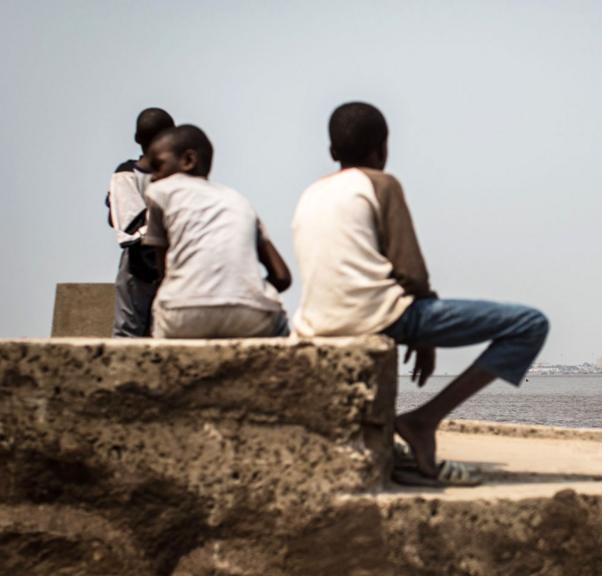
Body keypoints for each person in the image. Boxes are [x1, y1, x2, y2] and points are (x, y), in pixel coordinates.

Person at [291, 102, 549, 484]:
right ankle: (423, 420)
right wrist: (426, 338)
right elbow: (411, 272)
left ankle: (411, 428)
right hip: (381, 315)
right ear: (382, 148)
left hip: (314, 321)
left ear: (332, 152)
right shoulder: (381, 184)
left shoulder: (311, 193)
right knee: (530, 324)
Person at [141, 125, 292, 338]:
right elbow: (283, 277)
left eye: (158, 166)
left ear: (188, 161)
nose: (153, 177)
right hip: (249, 315)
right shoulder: (239, 201)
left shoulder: (160, 191)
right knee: (280, 325)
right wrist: (246, 293)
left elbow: (164, 274)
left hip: (183, 313)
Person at [106, 107, 174, 337]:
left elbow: (122, 222)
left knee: (128, 332)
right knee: (161, 330)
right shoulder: (177, 176)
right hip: (164, 257)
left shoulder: (125, 174)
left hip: (138, 260)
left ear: (137, 139)